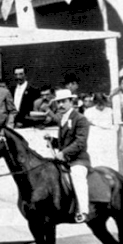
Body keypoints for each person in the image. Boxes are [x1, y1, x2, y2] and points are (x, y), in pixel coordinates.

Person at [47, 89, 91, 223]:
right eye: (58, 102)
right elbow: (64, 142)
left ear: (71, 102)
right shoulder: (62, 118)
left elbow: (80, 142)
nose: (60, 105)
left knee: (77, 175)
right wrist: (52, 141)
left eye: (64, 102)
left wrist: (63, 153)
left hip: (78, 159)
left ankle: (83, 211)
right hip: (64, 159)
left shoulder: (80, 119)